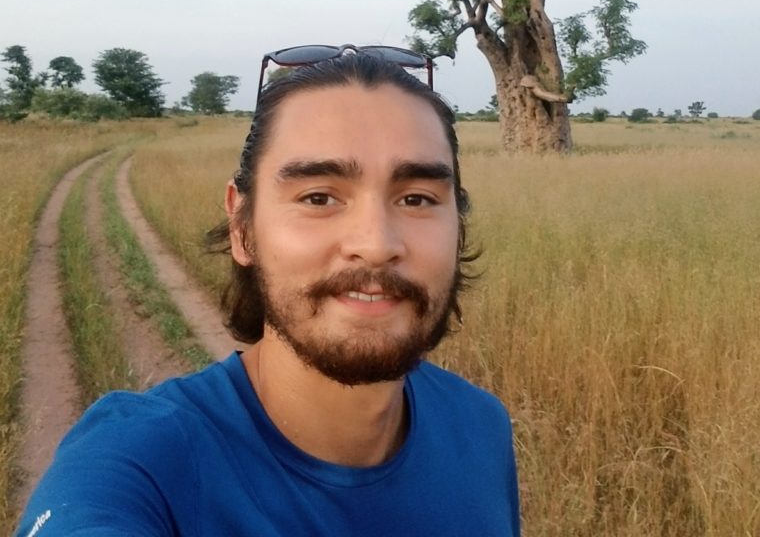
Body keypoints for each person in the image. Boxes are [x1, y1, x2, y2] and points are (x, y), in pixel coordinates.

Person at [16, 45, 521, 536]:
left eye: (416, 198)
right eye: (318, 196)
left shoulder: (480, 426)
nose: (376, 244)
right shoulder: (140, 461)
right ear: (242, 228)